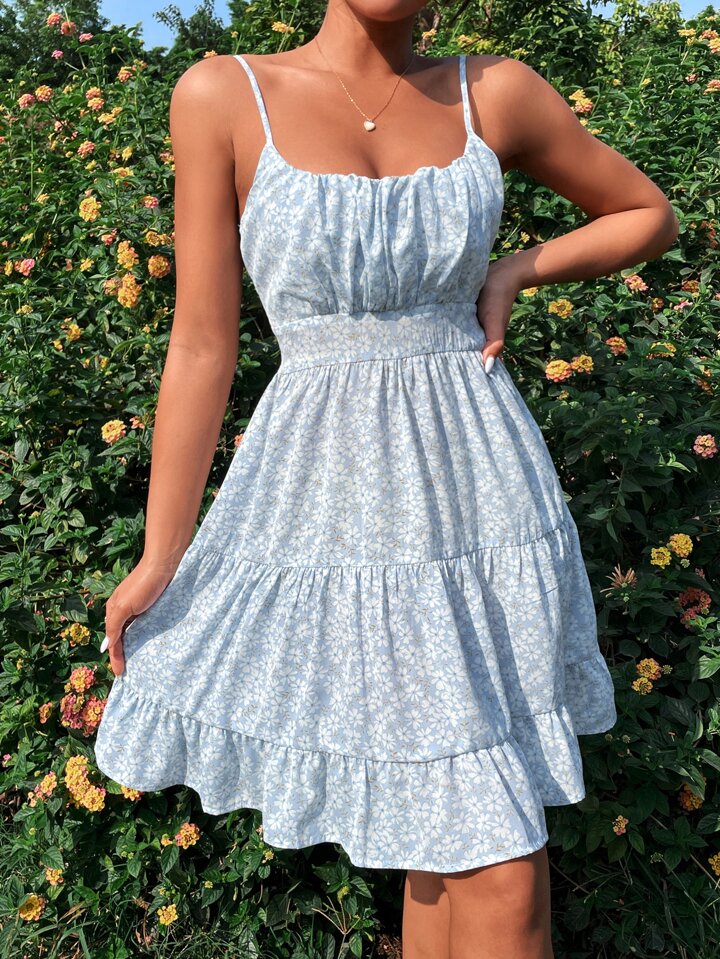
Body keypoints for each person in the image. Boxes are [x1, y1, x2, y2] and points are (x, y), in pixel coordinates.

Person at [94, 2, 679, 956]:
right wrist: (164, 553)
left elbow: (648, 211)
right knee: (462, 850)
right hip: (332, 521)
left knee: (476, 855)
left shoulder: (495, 92)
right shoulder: (223, 94)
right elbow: (201, 344)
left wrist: (514, 271)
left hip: (482, 508)